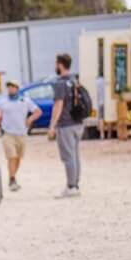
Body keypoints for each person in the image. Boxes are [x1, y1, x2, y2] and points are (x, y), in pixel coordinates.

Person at [0, 78, 41, 189]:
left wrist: (29, 119)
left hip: (21, 133)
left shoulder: (25, 100)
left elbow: (38, 111)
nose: (10, 88)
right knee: (12, 156)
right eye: (9, 86)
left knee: (18, 158)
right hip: (7, 133)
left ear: (17, 88)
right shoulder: (2, 101)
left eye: (13, 86)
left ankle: (13, 176)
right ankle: (12, 180)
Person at [47, 52, 82, 197]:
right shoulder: (75, 80)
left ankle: (71, 186)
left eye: (56, 63)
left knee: (68, 156)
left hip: (66, 124)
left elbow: (58, 105)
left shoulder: (60, 83)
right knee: (75, 155)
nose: (55, 66)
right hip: (78, 123)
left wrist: (52, 126)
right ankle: (75, 183)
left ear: (60, 64)